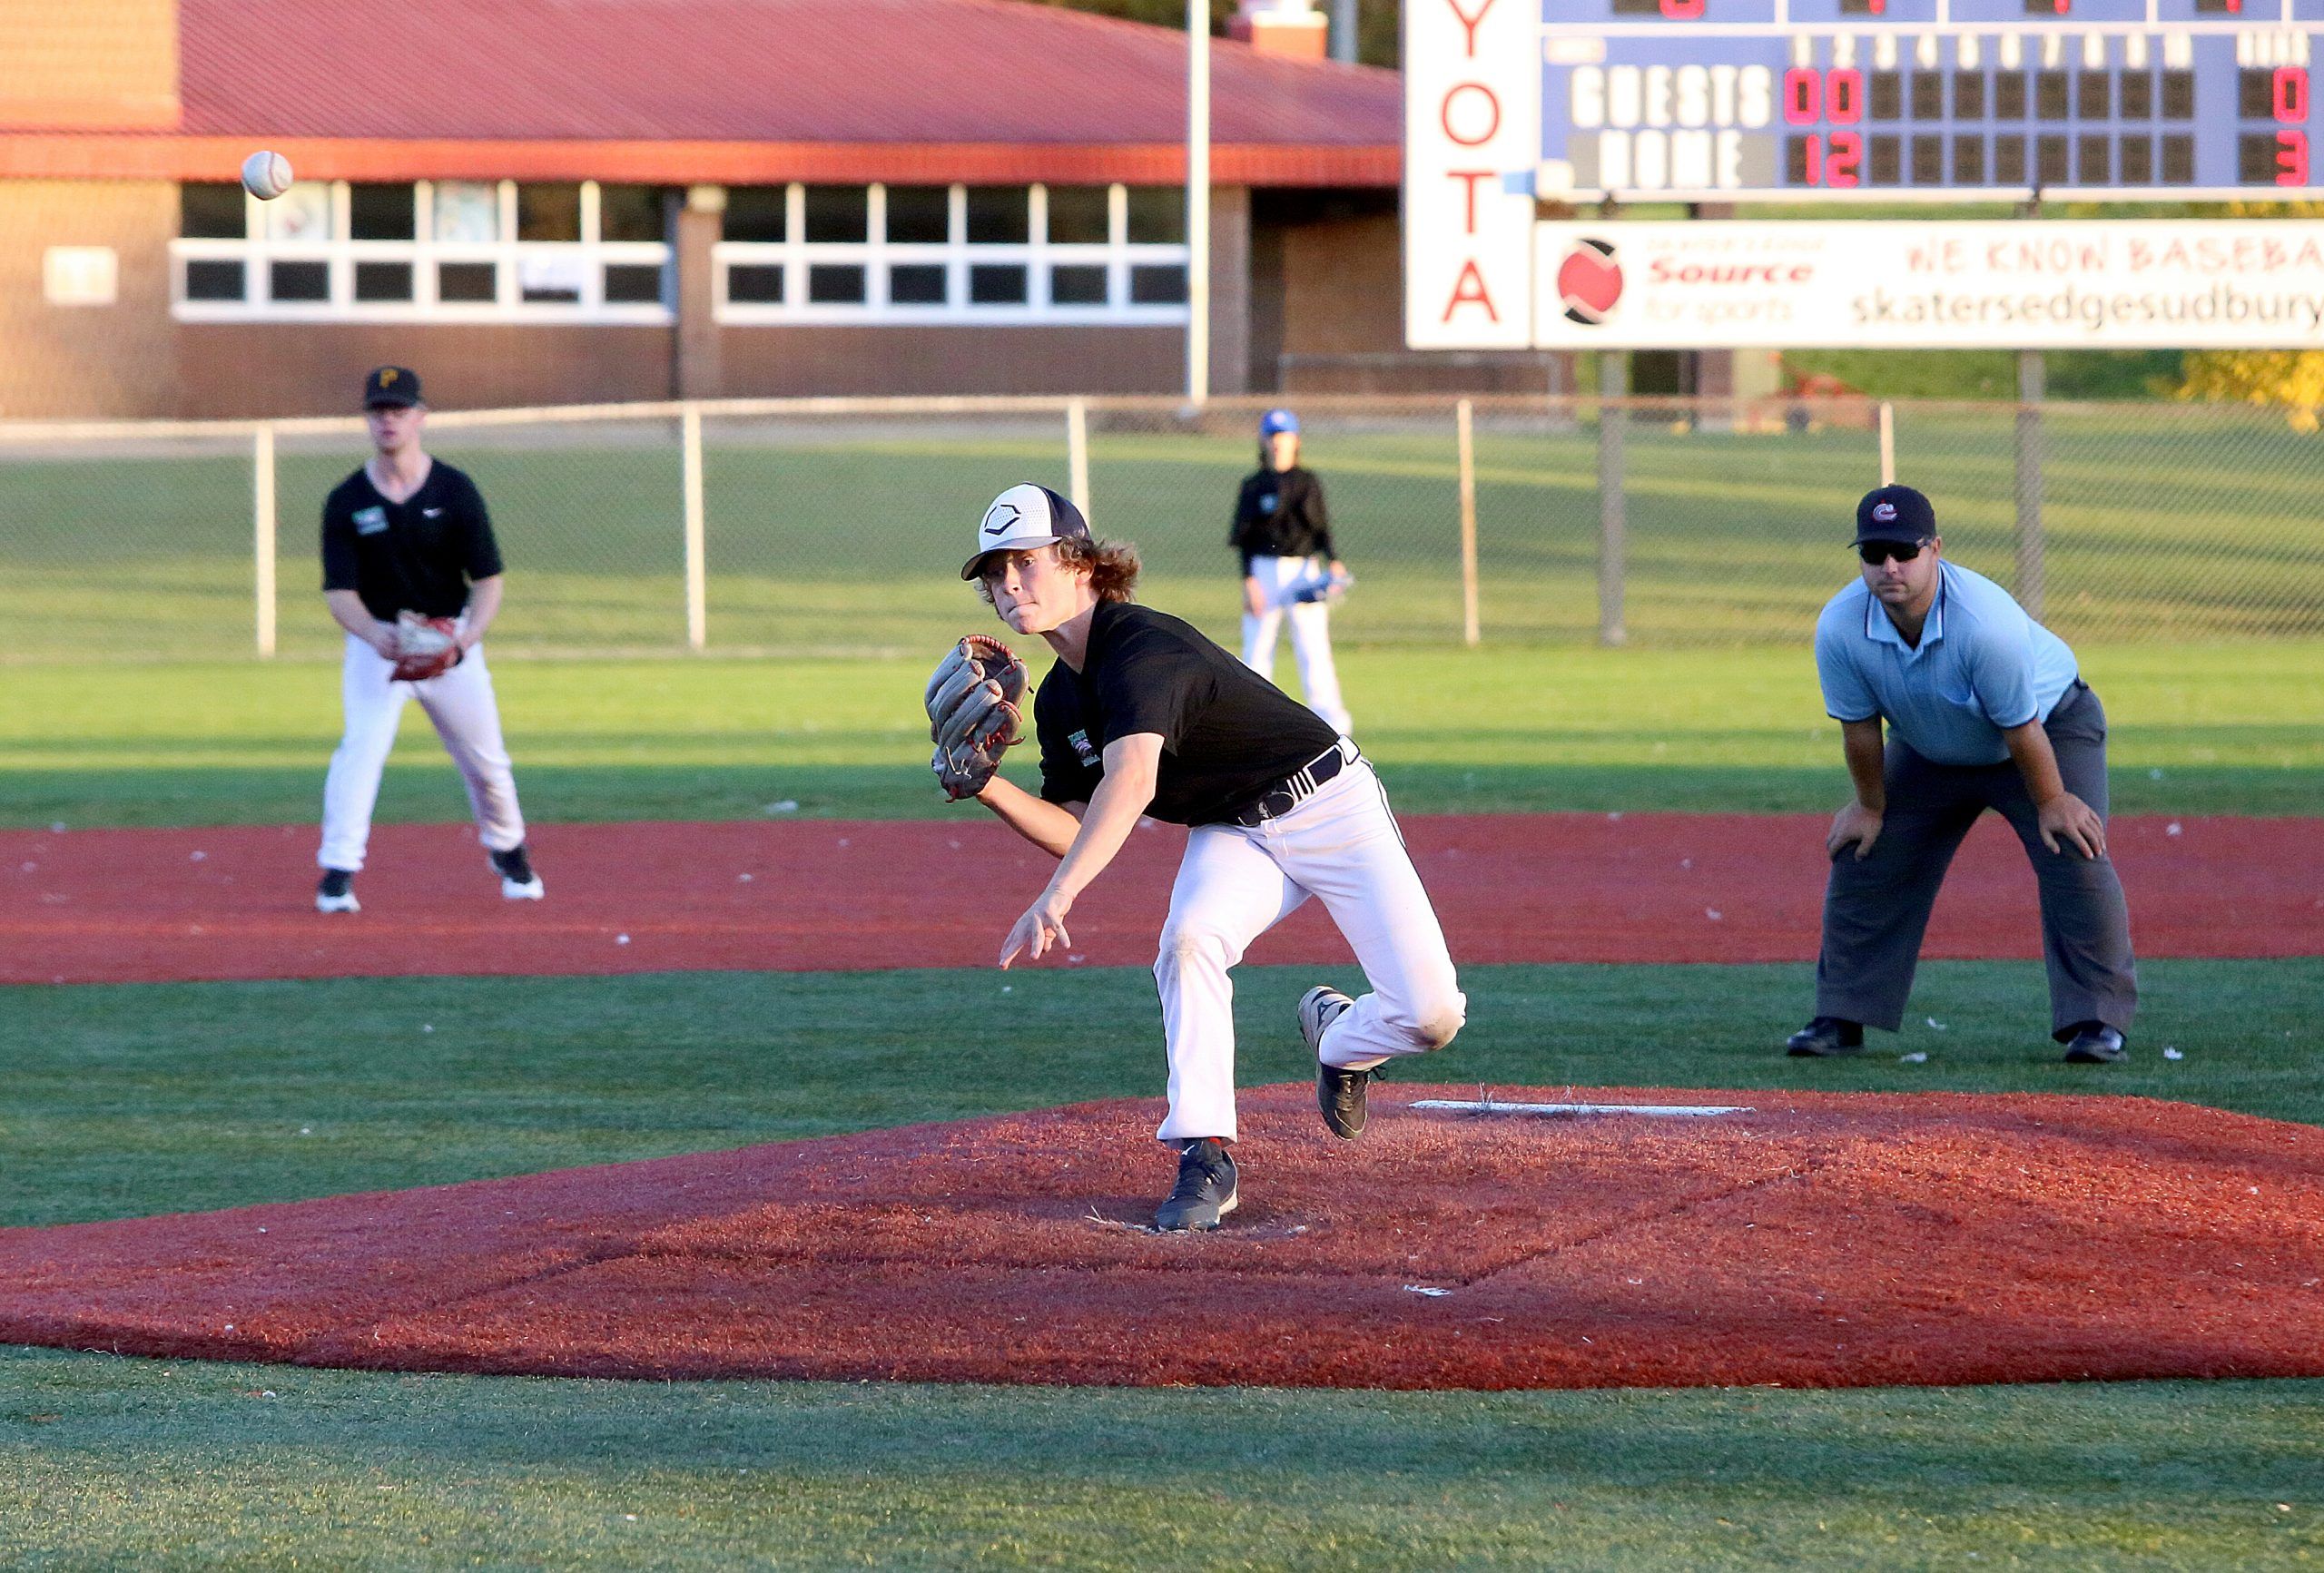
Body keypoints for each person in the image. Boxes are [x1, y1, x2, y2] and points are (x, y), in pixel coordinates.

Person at [956, 484, 1464, 1231]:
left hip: (1330, 804)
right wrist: (988, 786)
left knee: (1430, 1016)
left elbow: (1131, 781)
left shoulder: (1141, 647)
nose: (1007, 585)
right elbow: (1074, 822)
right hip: (1234, 829)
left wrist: (1057, 897)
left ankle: (1340, 1040)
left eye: (1024, 562)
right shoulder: (1060, 699)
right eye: (994, 571)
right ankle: (1206, 1154)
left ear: (1079, 564)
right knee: (1189, 941)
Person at [1788, 484, 2135, 1064]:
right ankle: (1842, 1015)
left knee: (2074, 848)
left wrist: (2053, 801)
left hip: (2045, 731)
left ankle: (2097, 1021)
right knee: (1865, 852)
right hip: (1929, 746)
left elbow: (2020, 727)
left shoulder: (1985, 623)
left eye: (1905, 550)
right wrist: (1870, 807)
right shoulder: (1840, 625)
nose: (1890, 566)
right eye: (1874, 554)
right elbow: (1859, 728)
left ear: (1935, 549)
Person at [313, 366, 543, 913]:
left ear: (420, 416)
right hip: (382, 648)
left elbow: (487, 579)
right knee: (361, 751)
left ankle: (509, 851)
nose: (388, 420)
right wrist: (375, 634)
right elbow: (339, 591)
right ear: (367, 419)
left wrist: (465, 640)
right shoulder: (347, 500)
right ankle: (339, 871)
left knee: (485, 762)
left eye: (398, 409)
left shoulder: (454, 490)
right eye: (378, 410)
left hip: (450, 644)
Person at [1229, 408, 1352, 734]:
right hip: (1263, 573)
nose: (1278, 443)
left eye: (1284, 436)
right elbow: (1244, 539)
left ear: (1295, 440)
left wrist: (1334, 560)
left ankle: (1332, 724)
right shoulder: (1253, 485)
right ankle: (1253, 725)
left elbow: (1321, 527)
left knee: (1313, 648)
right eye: (1272, 436)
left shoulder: (1307, 482)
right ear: (1264, 441)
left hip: (1303, 572)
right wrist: (1249, 581)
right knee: (1256, 652)